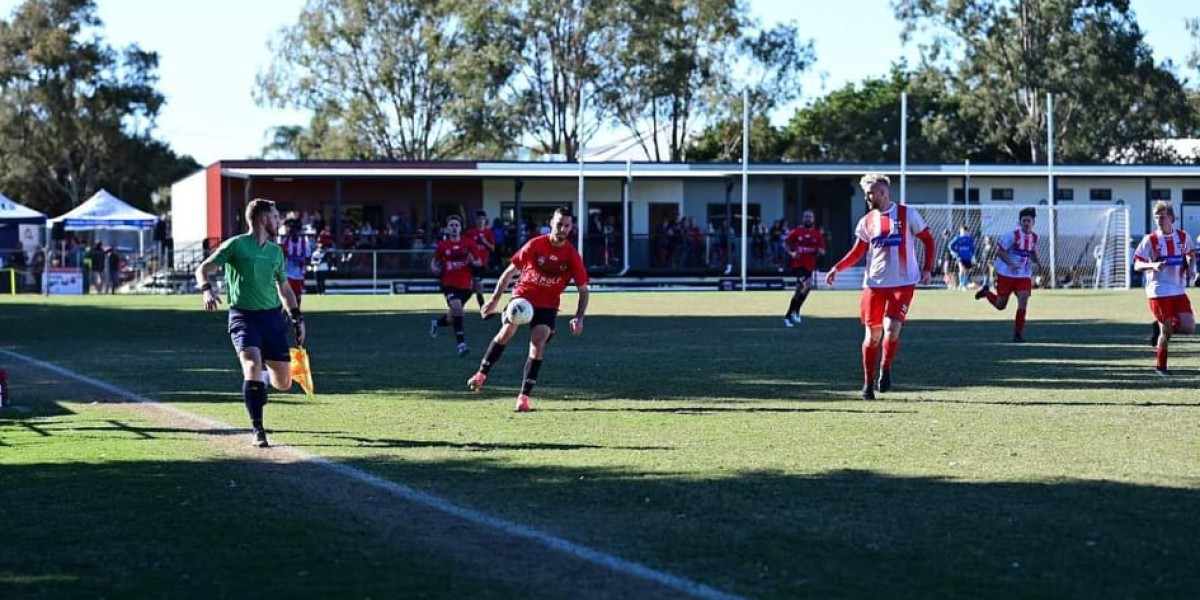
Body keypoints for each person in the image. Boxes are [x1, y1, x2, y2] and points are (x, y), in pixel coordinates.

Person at [195, 198, 305, 448]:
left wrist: (297, 318)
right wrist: (207, 290)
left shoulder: (275, 252)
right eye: (275, 216)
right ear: (264, 219)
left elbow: (284, 288)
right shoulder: (236, 245)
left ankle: (260, 382)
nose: (278, 221)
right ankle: (258, 429)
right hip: (243, 317)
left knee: (283, 383)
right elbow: (203, 269)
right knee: (252, 365)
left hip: (272, 319)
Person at [466, 206, 589, 413]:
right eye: (559, 224)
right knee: (507, 330)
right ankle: (481, 374)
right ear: (551, 223)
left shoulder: (572, 256)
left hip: (547, 305)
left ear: (571, 228)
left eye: (567, 226)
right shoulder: (535, 244)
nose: (562, 229)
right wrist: (495, 300)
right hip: (523, 297)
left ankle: (523, 398)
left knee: (538, 343)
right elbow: (509, 272)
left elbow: (583, 290)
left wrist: (579, 317)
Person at [824, 173, 934, 400]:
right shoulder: (866, 221)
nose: (866, 197)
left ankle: (885, 366)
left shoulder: (907, 214)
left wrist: (927, 269)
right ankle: (867, 384)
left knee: (892, 328)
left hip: (903, 283)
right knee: (872, 335)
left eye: (870, 193)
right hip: (874, 285)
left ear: (883, 193)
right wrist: (837, 268)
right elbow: (857, 251)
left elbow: (928, 240)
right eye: (865, 193)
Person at [1134, 201, 1195, 375]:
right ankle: (1161, 367)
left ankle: (1158, 326)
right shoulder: (1150, 239)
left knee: (1189, 327)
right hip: (1158, 290)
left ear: (1172, 218)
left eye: (1162, 217)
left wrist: (1191, 268)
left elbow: (1190, 254)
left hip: (1178, 289)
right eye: (1156, 217)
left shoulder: (1183, 236)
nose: (1159, 220)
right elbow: (1137, 264)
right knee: (1166, 332)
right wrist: (1152, 265)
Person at [974, 207, 1041, 342]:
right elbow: (1000, 252)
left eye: (1028, 220)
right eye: (1023, 221)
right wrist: (1011, 264)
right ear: (1019, 222)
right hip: (1006, 275)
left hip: (1023, 275)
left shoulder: (1034, 237)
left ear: (1033, 222)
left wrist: (1038, 263)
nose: (1026, 223)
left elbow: (1032, 252)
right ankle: (986, 293)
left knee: (1023, 301)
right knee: (1001, 305)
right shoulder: (1012, 236)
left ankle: (1018, 335)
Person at [429, 215, 482, 357]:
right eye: (451, 225)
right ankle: (461, 345)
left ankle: (436, 323)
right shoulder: (443, 246)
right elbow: (435, 261)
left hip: (466, 286)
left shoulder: (469, 243)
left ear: (460, 228)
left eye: (456, 225)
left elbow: (479, 262)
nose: (454, 228)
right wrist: (434, 268)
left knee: (452, 318)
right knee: (458, 309)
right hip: (448, 284)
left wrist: (473, 262)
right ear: (447, 228)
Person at [781, 208, 826, 327]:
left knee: (801, 290)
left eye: (810, 217)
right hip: (798, 265)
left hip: (809, 266)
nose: (808, 219)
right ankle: (791, 314)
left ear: (813, 219)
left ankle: (791, 314)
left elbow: (822, 250)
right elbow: (785, 243)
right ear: (802, 218)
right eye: (806, 216)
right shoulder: (796, 231)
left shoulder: (817, 234)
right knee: (807, 285)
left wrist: (819, 251)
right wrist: (791, 253)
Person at [464, 210, 496, 312]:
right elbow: (464, 246)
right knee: (477, 285)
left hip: (483, 263)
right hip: (473, 263)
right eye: (479, 219)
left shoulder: (488, 233)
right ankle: (483, 308)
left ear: (485, 220)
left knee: (475, 286)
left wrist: (485, 242)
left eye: (483, 219)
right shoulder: (470, 232)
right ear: (475, 220)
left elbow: (492, 248)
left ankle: (460, 303)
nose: (481, 221)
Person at [281, 220, 312, 306]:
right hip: (288, 273)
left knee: (298, 295)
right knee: (288, 294)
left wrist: (302, 261)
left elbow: (308, 258)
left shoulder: (304, 243)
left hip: (299, 274)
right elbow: (281, 257)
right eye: (293, 232)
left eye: (296, 232)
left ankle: (297, 309)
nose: (295, 234)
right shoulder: (286, 242)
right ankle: (288, 309)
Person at [948, 225, 976, 290]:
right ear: (960, 231)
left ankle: (964, 283)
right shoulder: (957, 238)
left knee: (967, 270)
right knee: (962, 269)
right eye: (962, 231)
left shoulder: (970, 239)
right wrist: (955, 252)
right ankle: (961, 284)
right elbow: (950, 245)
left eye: (965, 231)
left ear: (967, 231)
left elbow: (972, 247)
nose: (964, 232)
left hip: (968, 257)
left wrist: (973, 256)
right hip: (960, 257)